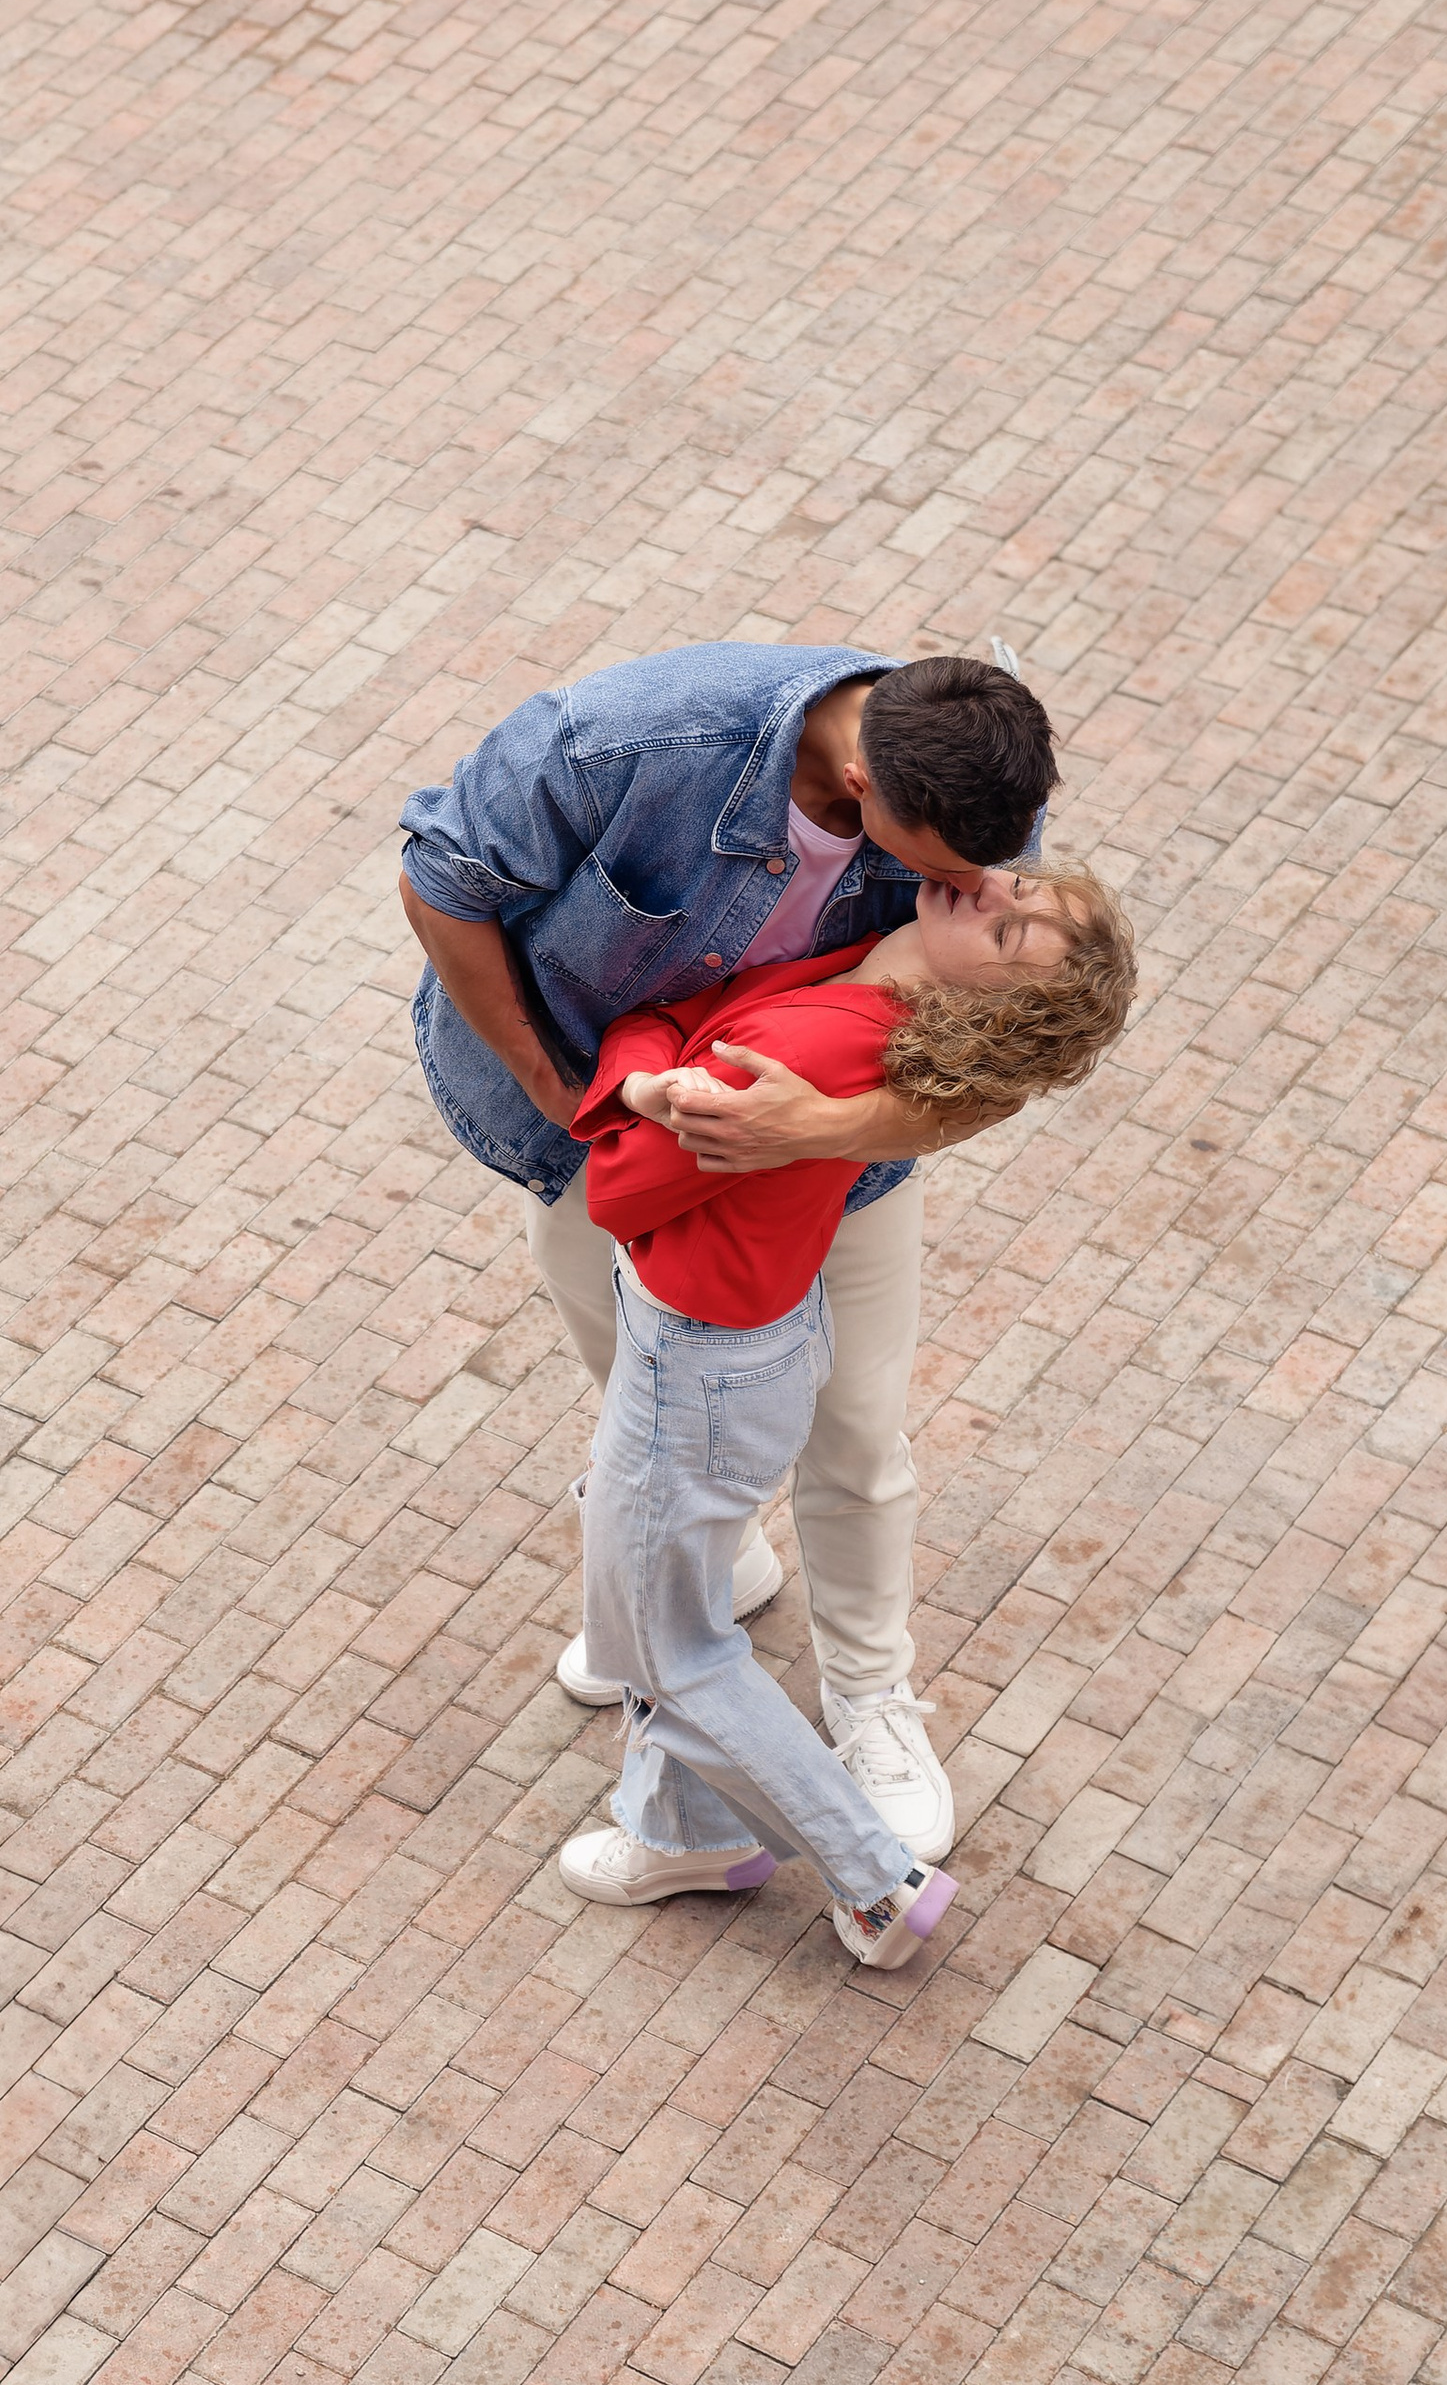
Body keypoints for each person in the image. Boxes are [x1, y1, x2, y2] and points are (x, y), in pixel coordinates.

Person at [400, 645, 1057, 1862]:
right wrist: (558, 1093)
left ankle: (868, 1695)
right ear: (861, 779)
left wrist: (816, 1127)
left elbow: (1013, 1056)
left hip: (843, 1157)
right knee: (638, 1399)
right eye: (944, 864)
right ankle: (710, 1589)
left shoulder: (975, 788)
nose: (978, 887)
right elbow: (442, 879)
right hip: (602, 1129)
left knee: (855, 1427)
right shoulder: (625, 744)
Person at [560, 865, 1136, 1947]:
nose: (991, 894)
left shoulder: (824, 1042)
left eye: (1011, 933)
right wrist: (652, 1071)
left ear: (989, 1003)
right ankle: (684, 1830)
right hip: (733, 1343)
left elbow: (619, 1184)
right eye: (1021, 889)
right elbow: (668, 1021)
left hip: (701, 1358)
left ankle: (875, 1882)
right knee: (644, 1588)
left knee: (668, 1643)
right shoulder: (861, 972)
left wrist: (639, 1073)